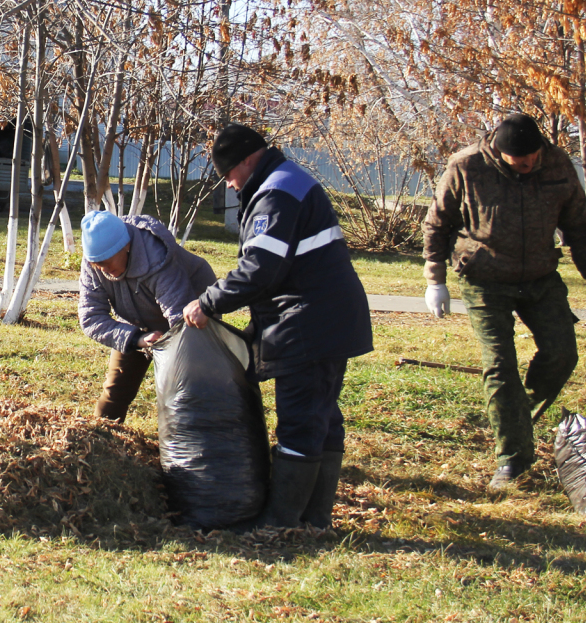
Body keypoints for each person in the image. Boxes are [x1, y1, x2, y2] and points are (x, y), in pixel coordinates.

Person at [184, 123, 373, 529]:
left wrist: (208, 302)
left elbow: (261, 270)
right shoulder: (285, 182)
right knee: (321, 416)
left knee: (302, 419)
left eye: (230, 175)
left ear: (248, 160)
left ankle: (282, 523)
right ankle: (314, 517)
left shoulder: (276, 192)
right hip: (322, 318)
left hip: (309, 322)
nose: (231, 186)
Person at [422, 113, 586, 491]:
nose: (529, 164)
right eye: (521, 160)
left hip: (540, 277)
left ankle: (515, 418)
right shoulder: (466, 166)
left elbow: (579, 226)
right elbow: (437, 223)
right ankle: (512, 461)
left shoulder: (557, 163)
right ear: (499, 151)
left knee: (562, 353)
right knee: (500, 367)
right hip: (484, 277)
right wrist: (435, 280)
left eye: (534, 156)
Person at [78, 210, 216, 423]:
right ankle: (103, 440)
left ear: (126, 246)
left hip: (192, 313)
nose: (103, 269)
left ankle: (198, 442)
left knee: (189, 390)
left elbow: (180, 316)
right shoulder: (94, 264)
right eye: (97, 264)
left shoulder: (155, 256)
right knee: (116, 390)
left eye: (107, 261)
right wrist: (136, 339)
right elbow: (90, 317)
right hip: (137, 322)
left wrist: (171, 353)